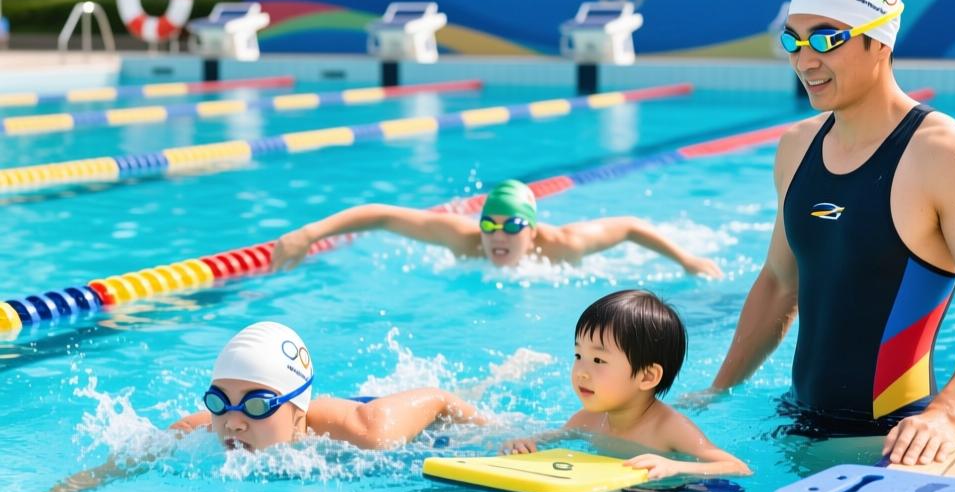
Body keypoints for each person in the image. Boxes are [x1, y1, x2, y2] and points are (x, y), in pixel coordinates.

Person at [709, 0, 955, 467]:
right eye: (793, 39)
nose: (804, 60)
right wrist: (715, 395)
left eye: (826, 39)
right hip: (793, 424)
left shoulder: (947, 157)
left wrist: (946, 416)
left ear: (879, 39)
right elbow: (777, 282)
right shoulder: (796, 147)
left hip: (887, 440)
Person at [0, 321, 489, 492]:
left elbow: (440, 399)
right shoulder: (196, 433)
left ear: (296, 411)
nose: (233, 421)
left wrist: (493, 432)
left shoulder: (368, 432)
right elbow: (120, 463)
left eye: (256, 405)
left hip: (390, 414)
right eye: (219, 401)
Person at [505, 289, 751, 480]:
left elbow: (737, 467)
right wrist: (525, 444)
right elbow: (546, 441)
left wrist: (674, 466)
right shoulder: (587, 420)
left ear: (646, 377)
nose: (581, 372)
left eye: (599, 360)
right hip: (626, 488)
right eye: (578, 356)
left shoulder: (669, 428)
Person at [269, 178, 722, 277]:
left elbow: (628, 226)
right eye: (489, 224)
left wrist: (686, 259)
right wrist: (310, 232)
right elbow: (382, 214)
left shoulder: (563, 246)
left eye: (512, 226)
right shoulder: (463, 241)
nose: (498, 236)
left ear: (534, 231)